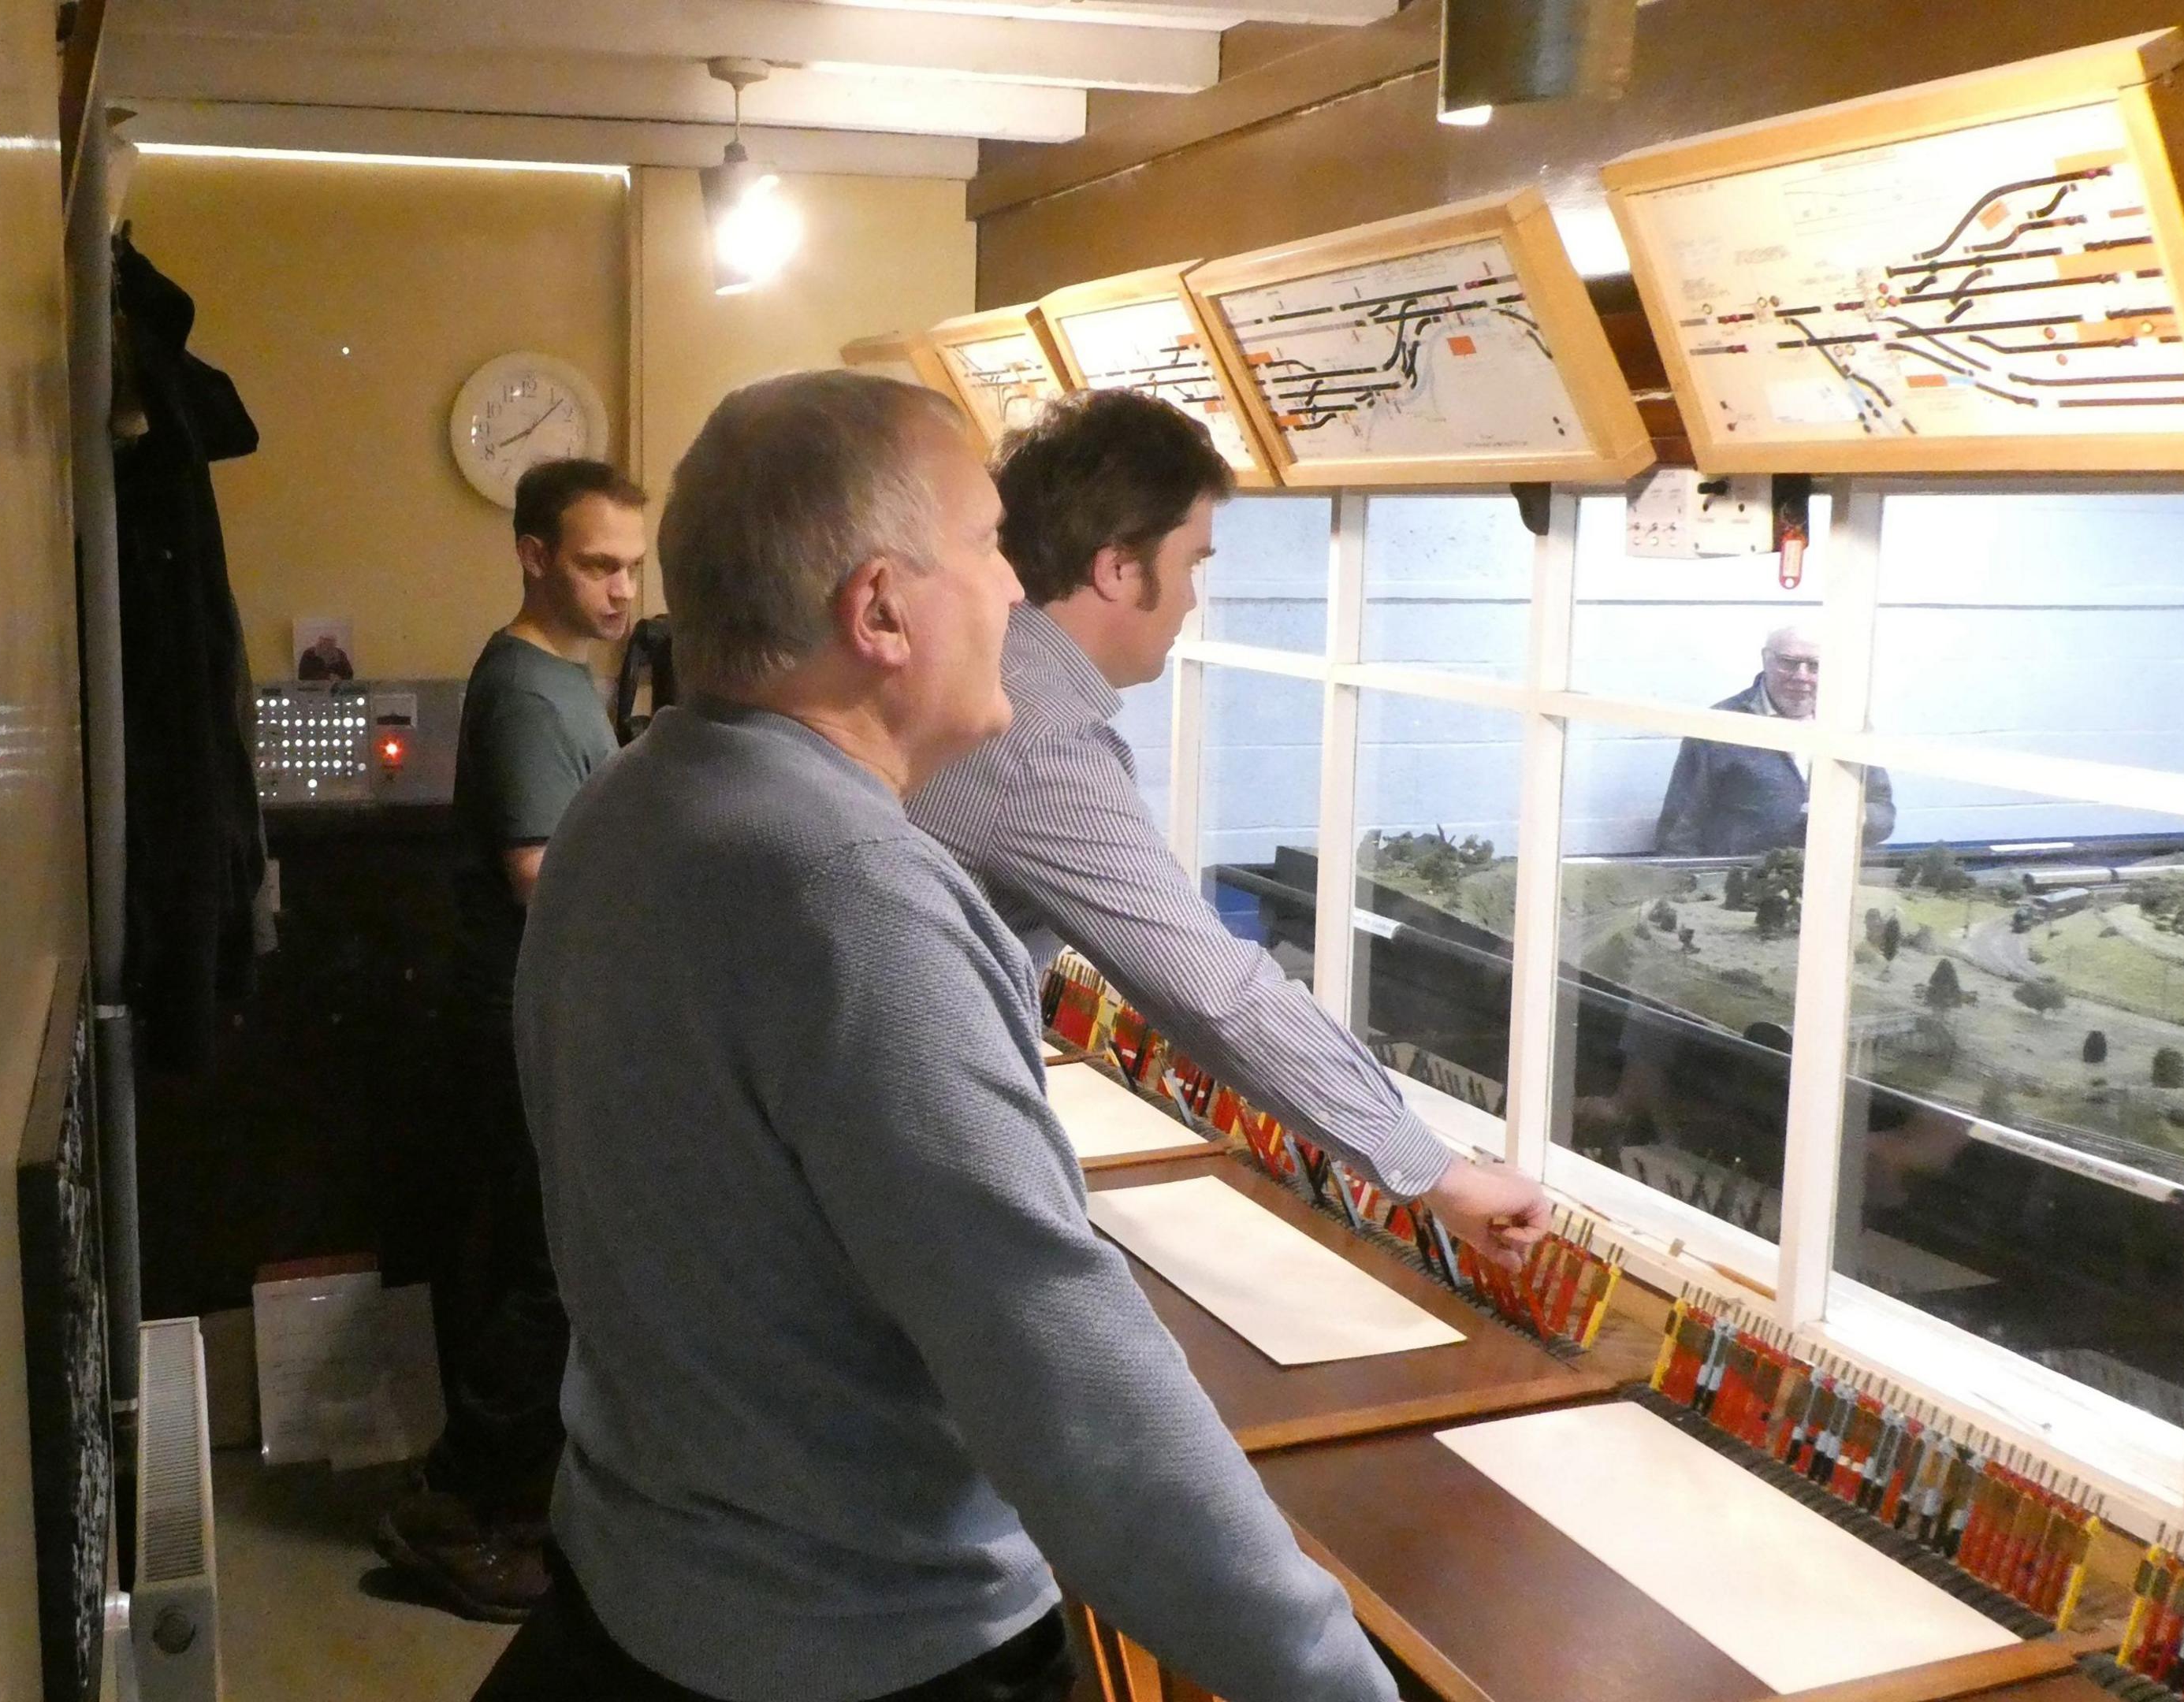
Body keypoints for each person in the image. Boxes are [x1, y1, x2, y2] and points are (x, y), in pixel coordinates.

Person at [474, 370, 1397, 1702]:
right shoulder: (855, 894)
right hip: (859, 1647)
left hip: (638, 1596)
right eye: (986, 547)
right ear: (881, 611)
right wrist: (1332, 1679)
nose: (1019, 592)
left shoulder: (630, 801)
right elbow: (1079, 1395)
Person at [909, 388, 1552, 1260]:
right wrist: (1438, 1173)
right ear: (1120, 571)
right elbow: (1216, 995)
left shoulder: (984, 673)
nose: (1193, 604)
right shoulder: (1035, 743)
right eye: (1193, 566)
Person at [375, 457, 645, 1622]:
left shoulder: (564, 680)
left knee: (548, 1265)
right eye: (597, 563)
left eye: (633, 565)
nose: (622, 588)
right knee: (553, 1274)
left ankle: (501, 1497)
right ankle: (452, 1499)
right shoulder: (530, 692)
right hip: (520, 1020)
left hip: (543, 1014)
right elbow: (539, 872)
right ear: (534, 553)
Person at [1654, 625, 1896, 857]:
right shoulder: (1718, 726)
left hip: (1827, 884)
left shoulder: (1850, 725)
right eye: (1788, 663)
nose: (1801, 676)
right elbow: (1678, 833)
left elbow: (1884, 812)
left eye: (1815, 666)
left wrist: (1859, 816)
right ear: (1765, 659)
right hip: (1743, 884)